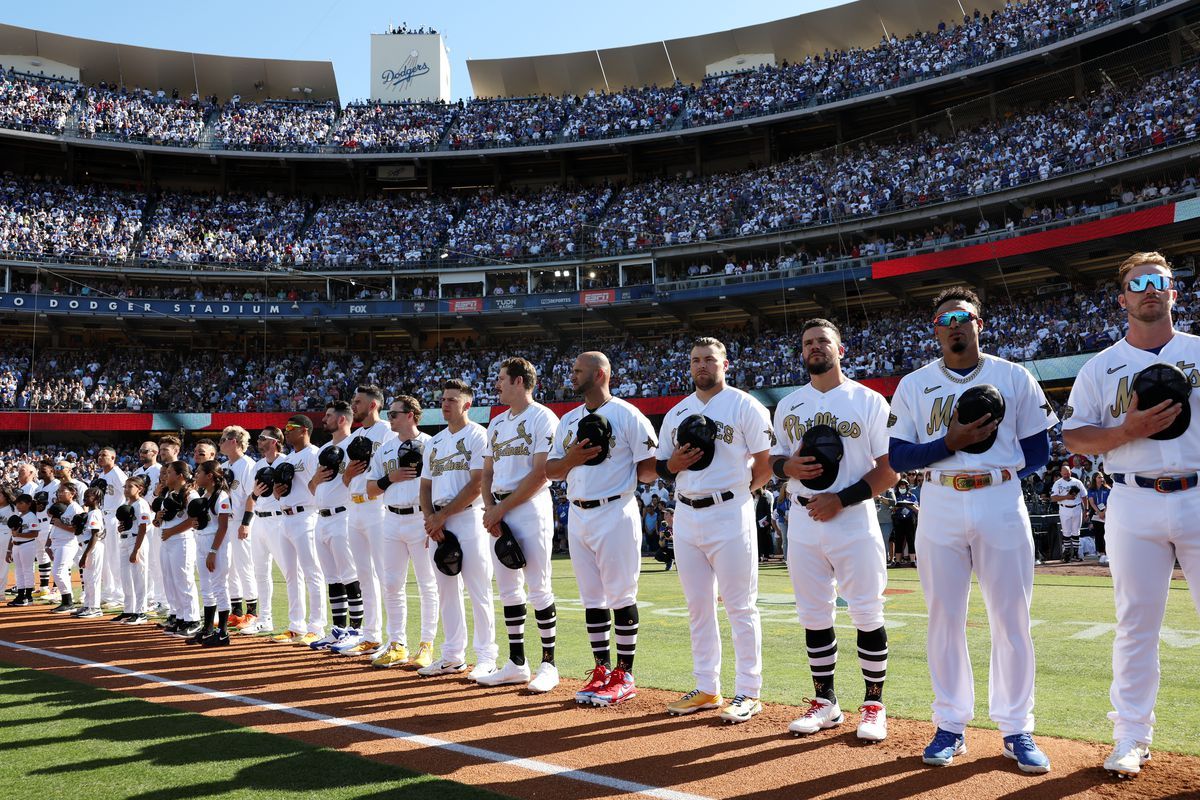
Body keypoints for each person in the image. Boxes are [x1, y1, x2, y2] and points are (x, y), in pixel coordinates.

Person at [888, 287, 1056, 773]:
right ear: (936, 329)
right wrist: (951, 442)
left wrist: (998, 477)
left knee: (1011, 617)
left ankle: (1017, 729)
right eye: (945, 319)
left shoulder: (1013, 375)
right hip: (939, 498)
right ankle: (951, 724)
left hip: (1001, 498)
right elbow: (899, 457)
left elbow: (1039, 451)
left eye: (963, 316)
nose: (954, 324)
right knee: (944, 616)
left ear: (978, 324)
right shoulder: (915, 384)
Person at [1060, 251, 1200, 778]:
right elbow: (1074, 435)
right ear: (1122, 299)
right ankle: (1131, 735)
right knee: (1136, 624)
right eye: (1137, 283)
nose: (1148, 289)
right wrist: (1126, 432)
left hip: (1199, 490)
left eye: (1158, 281)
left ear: (1174, 292)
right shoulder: (1101, 366)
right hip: (1133, 497)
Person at [771, 319, 898, 742]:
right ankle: (825, 701)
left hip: (853, 516)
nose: (815, 347)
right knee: (813, 613)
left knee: (865, 611)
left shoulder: (868, 400)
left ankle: (874, 705)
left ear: (840, 349)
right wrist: (784, 467)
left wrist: (840, 499)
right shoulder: (788, 404)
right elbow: (775, 461)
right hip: (803, 518)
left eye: (823, 341)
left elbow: (889, 470)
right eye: (807, 342)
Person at [658, 337, 772, 723]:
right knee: (698, 607)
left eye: (709, 359)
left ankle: (749, 691)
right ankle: (707, 687)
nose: (702, 365)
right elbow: (662, 465)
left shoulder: (744, 405)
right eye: (696, 360)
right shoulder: (676, 413)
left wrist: (741, 493)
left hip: (729, 510)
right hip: (686, 512)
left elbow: (766, 461)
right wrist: (672, 465)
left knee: (740, 606)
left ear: (726, 364)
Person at [546, 351, 658, 707]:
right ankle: (601, 669)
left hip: (614, 509)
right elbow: (551, 470)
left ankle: (624, 674)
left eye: (578, 370)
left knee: (621, 595)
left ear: (599, 375)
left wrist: (616, 475)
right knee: (592, 598)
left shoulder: (627, 414)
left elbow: (649, 468)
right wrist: (571, 460)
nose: (572, 375)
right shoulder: (569, 420)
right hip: (577, 512)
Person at [478, 357, 561, 692]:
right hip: (499, 506)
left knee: (539, 586)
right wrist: (489, 507)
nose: (497, 384)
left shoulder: (543, 417)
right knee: (509, 588)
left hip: (529, 506)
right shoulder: (497, 423)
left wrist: (500, 510)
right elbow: (486, 472)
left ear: (518, 381)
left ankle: (549, 665)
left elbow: (541, 473)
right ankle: (516, 662)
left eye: (501, 379)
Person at [417, 379, 498, 679]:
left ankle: (487, 656)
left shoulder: (479, 435)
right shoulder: (435, 442)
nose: (445, 404)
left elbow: (477, 483)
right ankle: (452, 655)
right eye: (443, 399)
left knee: (478, 589)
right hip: (439, 521)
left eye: (452, 399)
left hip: (468, 518)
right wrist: (430, 519)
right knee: (446, 590)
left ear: (467, 404)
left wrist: (442, 517)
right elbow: (425, 486)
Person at [367, 395, 437, 669]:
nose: (389, 418)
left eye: (394, 414)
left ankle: (426, 645)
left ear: (410, 415)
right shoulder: (384, 449)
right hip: (391, 518)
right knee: (392, 583)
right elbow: (370, 489)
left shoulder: (431, 444)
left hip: (421, 517)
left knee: (427, 584)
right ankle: (397, 644)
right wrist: (390, 478)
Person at [338, 384, 396, 657]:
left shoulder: (388, 431)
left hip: (377, 507)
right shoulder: (354, 437)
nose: (354, 406)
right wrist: (348, 475)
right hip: (355, 508)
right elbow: (344, 479)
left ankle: (394, 638)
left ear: (374, 404)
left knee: (386, 575)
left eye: (358, 401)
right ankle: (371, 636)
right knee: (364, 576)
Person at [309, 401, 360, 652]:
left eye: (329, 416)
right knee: (332, 577)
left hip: (343, 515)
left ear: (342, 420)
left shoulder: (355, 445)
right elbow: (311, 487)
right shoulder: (325, 449)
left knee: (350, 575)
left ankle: (356, 629)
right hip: (321, 518)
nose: (324, 419)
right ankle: (338, 629)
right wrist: (316, 478)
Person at [270, 414, 326, 646]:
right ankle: (296, 625)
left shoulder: (314, 453)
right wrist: (277, 491)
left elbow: (320, 486)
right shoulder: (289, 457)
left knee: (312, 572)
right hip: (286, 516)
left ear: (303, 430)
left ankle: (317, 626)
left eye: (290, 428)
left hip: (306, 515)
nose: (286, 432)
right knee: (291, 574)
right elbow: (279, 490)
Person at [238, 427, 285, 635]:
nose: (259, 441)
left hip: (280, 521)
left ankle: (299, 623)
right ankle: (265, 618)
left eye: (263, 438)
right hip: (260, 521)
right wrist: (247, 522)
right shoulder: (257, 464)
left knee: (290, 573)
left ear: (274, 441)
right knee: (261, 573)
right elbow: (251, 497)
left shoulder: (286, 461)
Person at [219, 427, 259, 631]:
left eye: (223, 439)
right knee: (230, 567)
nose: (220, 442)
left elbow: (253, 497)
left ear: (234, 441)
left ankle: (252, 612)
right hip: (228, 520)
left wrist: (245, 523)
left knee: (245, 565)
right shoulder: (225, 465)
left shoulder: (248, 465)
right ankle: (236, 612)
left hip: (243, 520)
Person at [189, 460, 234, 646]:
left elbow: (222, 527)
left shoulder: (221, 496)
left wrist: (213, 551)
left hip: (217, 546)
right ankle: (208, 628)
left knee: (219, 586)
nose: (196, 476)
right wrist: (196, 524)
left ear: (209, 475)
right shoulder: (203, 494)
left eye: (199, 472)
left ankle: (223, 633)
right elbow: (205, 521)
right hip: (201, 541)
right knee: (206, 588)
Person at [158, 461, 201, 638]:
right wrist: (158, 518)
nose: (165, 476)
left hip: (182, 540)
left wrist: (171, 531)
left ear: (180, 475)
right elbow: (162, 520)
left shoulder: (190, 494)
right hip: (167, 540)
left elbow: (194, 519)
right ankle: (179, 616)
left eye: (169, 472)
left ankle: (193, 619)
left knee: (183, 579)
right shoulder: (169, 493)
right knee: (170, 580)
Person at [130, 441, 165, 615]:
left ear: (155, 452)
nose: (142, 454)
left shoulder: (160, 470)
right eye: (140, 451)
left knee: (154, 560)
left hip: (153, 515)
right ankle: (147, 597)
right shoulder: (137, 472)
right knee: (143, 559)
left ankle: (156, 598)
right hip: (138, 516)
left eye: (145, 451)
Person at [114, 475, 153, 623]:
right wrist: (121, 528)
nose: (126, 489)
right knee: (125, 577)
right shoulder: (126, 502)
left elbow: (143, 527)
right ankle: (128, 609)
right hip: (124, 540)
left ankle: (141, 611)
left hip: (137, 541)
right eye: (125, 486)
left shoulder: (141, 504)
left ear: (140, 489)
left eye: (130, 486)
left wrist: (136, 550)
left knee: (139, 577)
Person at [95, 447, 128, 611]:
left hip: (115, 516)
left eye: (104, 455)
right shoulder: (102, 474)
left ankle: (120, 595)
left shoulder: (118, 474)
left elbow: (129, 494)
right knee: (106, 557)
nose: (101, 457)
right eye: (99, 455)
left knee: (115, 556)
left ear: (113, 457)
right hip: (103, 516)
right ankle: (109, 592)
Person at [46, 482, 83, 614]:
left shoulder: (76, 509)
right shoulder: (59, 507)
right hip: (57, 542)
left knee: (58, 571)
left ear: (72, 493)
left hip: (68, 543)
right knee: (61, 572)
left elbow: (77, 529)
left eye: (63, 491)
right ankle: (67, 600)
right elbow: (53, 523)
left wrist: (60, 524)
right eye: (59, 491)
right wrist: (48, 543)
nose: (60, 494)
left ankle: (68, 602)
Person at [73, 488, 106, 618]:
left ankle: (95, 608)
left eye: (88, 496)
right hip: (88, 546)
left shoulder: (94, 513)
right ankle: (88, 605)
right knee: (87, 578)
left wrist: (85, 555)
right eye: (85, 495)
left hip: (92, 547)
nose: (85, 498)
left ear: (96, 499)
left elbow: (95, 535)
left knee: (93, 578)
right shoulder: (91, 513)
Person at [6, 493, 39, 606]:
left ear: (29, 504)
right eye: (17, 503)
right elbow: (13, 535)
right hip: (16, 545)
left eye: (21, 503)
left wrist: (18, 535)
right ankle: (20, 595)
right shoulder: (19, 516)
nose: (18, 505)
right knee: (18, 571)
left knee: (27, 570)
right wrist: (9, 550)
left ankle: (28, 596)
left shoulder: (32, 516)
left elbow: (35, 534)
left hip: (27, 545)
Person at [1049, 464, 1088, 562]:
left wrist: (1086, 510)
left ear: (1070, 472)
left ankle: (1075, 553)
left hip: (1077, 507)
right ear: (1061, 473)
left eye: (1068, 473)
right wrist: (1066, 497)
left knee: (1076, 532)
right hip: (1064, 508)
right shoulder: (1058, 483)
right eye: (1065, 473)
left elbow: (1084, 496)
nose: (1067, 475)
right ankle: (1066, 553)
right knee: (1066, 532)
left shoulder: (1077, 482)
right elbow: (1053, 498)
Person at [890, 479, 920, 567]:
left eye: (904, 485)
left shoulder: (912, 496)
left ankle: (912, 561)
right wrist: (895, 508)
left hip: (910, 520)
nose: (902, 487)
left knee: (911, 540)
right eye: (900, 485)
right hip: (899, 520)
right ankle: (898, 561)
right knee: (898, 540)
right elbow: (891, 508)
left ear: (907, 486)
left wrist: (910, 505)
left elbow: (917, 509)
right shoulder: (895, 495)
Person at [1086, 472, 1110, 566]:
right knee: (1098, 534)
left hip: (1107, 514)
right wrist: (1099, 512)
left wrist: (1104, 512)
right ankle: (1101, 553)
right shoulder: (1091, 489)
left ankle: (1108, 553)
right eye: (1099, 477)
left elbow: (1109, 501)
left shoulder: (1107, 489)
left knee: (1106, 534)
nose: (1101, 479)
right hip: (1096, 514)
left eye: (1102, 477)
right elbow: (1091, 502)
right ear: (1095, 479)